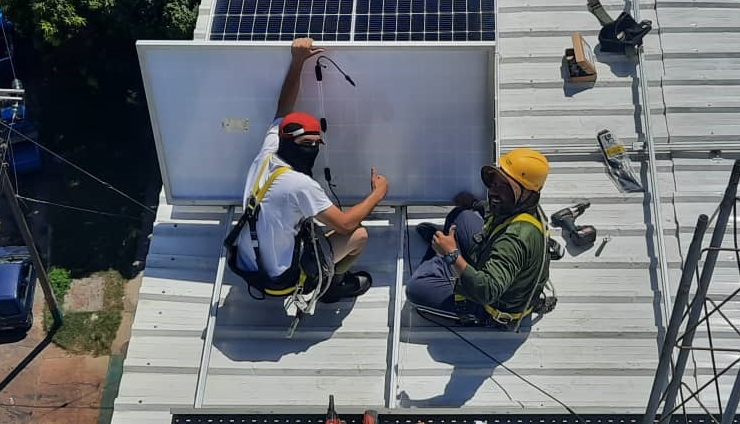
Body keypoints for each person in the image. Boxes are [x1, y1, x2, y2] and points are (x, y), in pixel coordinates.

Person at [229, 38, 389, 303]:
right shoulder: (299, 186)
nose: (312, 149)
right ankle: (328, 286)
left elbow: (283, 108)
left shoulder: (269, 150)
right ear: (290, 142)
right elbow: (345, 223)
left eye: (316, 143)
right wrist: (377, 194)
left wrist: (298, 61)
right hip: (280, 277)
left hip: (248, 264)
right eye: (307, 144)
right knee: (358, 235)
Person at [406, 148, 551, 328]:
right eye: (495, 182)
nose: (494, 192)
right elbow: (498, 213)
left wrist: (451, 255)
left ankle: (472, 308)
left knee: (416, 288)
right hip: (490, 256)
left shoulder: (514, 240)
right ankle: (442, 250)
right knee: (460, 215)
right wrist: (475, 204)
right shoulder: (525, 207)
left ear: (527, 193)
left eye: (506, 187)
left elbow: (487, 291)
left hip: (491, 303)